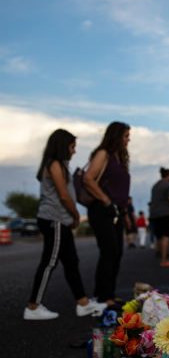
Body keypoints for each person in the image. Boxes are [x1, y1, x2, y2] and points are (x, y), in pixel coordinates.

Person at [24, 129, 107, 320]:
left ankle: (83, 304)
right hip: (55, 220)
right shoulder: (54, 164)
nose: (74, 151)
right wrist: (76, 214)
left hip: (60, 220)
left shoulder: (59, 165)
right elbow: (63, 195)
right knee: (49, 262)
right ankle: (33, 307)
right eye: (72, 147)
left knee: (71, 262)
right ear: (63, 146)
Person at [83, 121, 131, 307]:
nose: (128, 139)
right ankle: (102, 296)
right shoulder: (103, 153)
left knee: (117, 252)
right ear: (116, 136)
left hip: (116, 211)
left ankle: (109, 294)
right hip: (102, 210)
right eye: (126, 136)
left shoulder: (119, 156)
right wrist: (106, 200)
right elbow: (88, 178)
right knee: (108, 251)